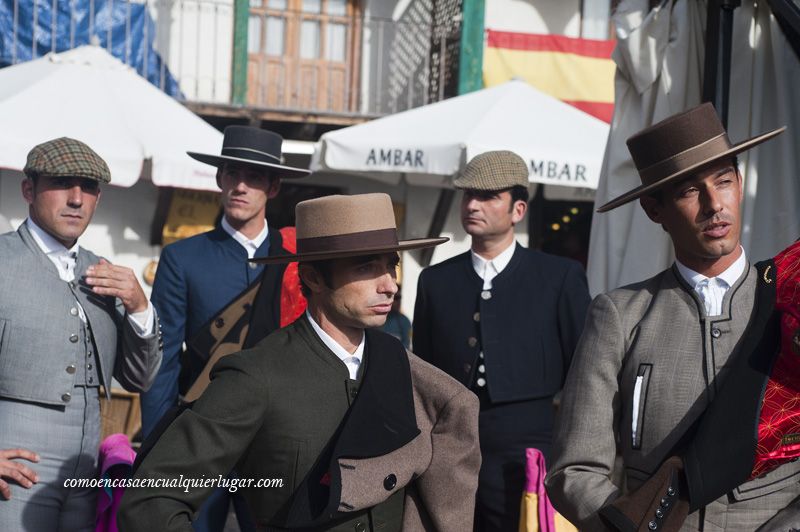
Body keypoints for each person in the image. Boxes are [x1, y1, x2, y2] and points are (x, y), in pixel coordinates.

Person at [117, 193, 481, 531]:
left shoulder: (404, 367)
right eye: (367, 267)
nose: (389, 284)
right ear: (312, 277)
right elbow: (150, 499)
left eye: (392, 265)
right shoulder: (257, 374)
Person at [545, 102, 800, 531]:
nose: (714, 204)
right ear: (653, 209)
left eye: (723, 181)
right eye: (688, 190)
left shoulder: (788, 299)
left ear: (740, 184)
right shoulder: (620, 316)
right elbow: (575, 469)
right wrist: (627, 526)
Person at [140, 125, 308, 531]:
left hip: (277, 435)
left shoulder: (298, 259)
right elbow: (163, 357)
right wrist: (160, 438)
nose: (241, 186)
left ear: (274, 185)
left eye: (254, 177)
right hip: (203, 430)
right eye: (232, 173)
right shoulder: (183, 257)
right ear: (219, 179)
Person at [413, 150, 590, 531]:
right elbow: (423, 371)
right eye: (468, 195)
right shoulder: (435, 281)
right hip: (451, 439)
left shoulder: (559, 277)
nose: (473, 204)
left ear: (518, 210)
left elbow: (585, 369)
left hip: (530, 440)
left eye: (488, 196)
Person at [0, 137, 162, 531]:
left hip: (86, 474)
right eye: (62, 183)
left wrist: (141, 308)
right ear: (28, 190)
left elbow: (140, 378)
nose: (76, 198)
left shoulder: (105, 272)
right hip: (14, 470)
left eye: (88, 187)